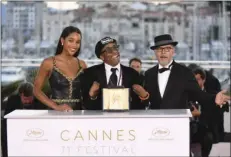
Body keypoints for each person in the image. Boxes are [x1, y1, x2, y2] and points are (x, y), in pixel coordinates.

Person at [141, 34, 230, 109]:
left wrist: (214, 98)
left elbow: (199, 95)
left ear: (173, 51)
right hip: (155, 123)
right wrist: (143, 97)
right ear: (155, 52)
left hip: (178, 123)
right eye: (159, 49)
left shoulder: (185, 72)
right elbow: (146, 101)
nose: (163, 52)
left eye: (167, 49)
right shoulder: (149, 74)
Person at [81, 37, 148, 110]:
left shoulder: (133, 73)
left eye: (115, 47)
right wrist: (92, 96)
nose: (115, 51)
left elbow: (142, 106)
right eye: (109, 50)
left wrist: (144, 96)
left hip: (126, 119)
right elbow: (85, 105)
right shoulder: (89, 74)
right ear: (102, 57)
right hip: (101, 120)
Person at [33, 26, 87, 111]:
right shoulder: (49, 63)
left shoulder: (82, 64)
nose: (74, 45)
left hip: (78, 113)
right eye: (70, 40)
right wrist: (56, 106)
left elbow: (86, 93)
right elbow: (36, 90)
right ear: (62, 41)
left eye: (78, 42)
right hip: (56, 114)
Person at [2, 82, 46, 157]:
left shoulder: (40, 101)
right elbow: (7, 120)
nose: (28, 101)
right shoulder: (12, 100)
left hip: (34, 132)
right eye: (25, 99)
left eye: (30, 98)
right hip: (15, 130)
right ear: (20, 95)